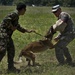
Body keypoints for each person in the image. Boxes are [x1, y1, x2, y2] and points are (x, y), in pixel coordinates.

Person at [0, 2, 35, 72]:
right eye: (25, 9)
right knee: (2, 51)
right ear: (22, 9)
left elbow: (17, 26)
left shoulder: (16, 16)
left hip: (7, 36)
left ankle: (10, 68)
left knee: (11, 50)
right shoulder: (14, 14)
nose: (25, 11)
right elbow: (5, 21)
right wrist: (11, 27)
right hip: (3, 34)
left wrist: (26, 30)